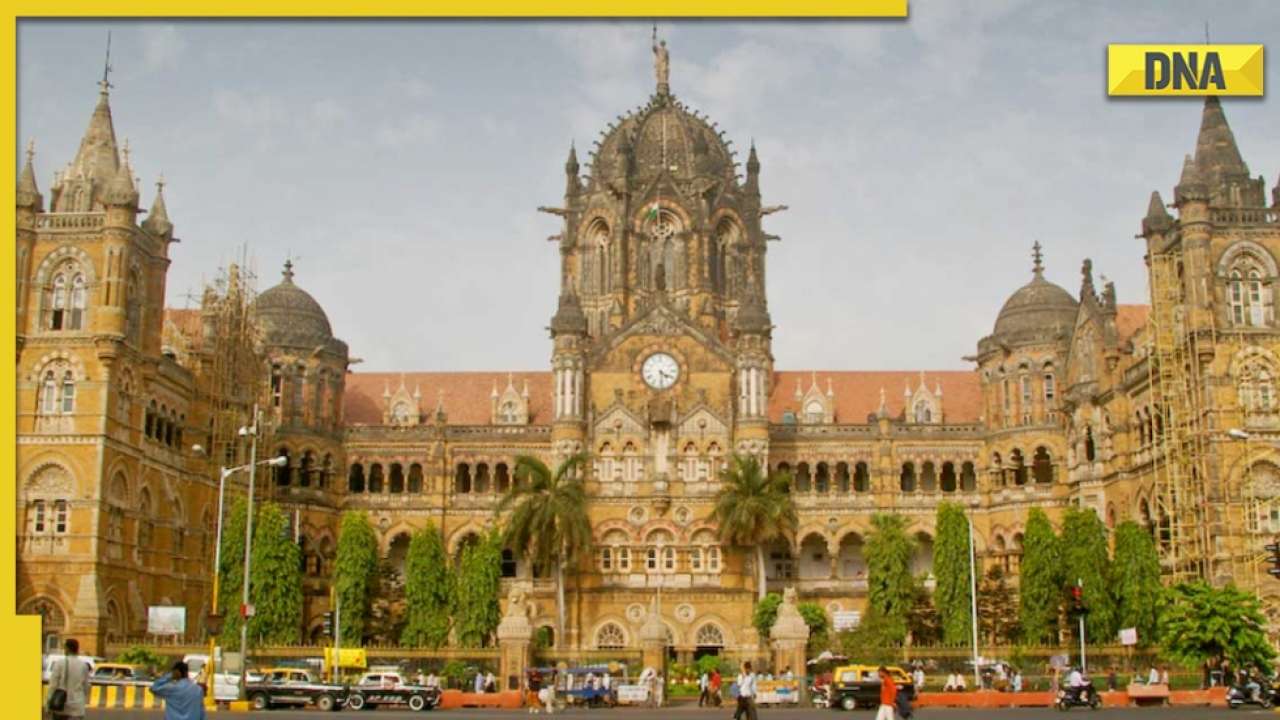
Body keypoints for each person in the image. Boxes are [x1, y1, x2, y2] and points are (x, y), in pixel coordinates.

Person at [47, 638, 91, 720]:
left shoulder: (60, 663)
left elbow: (53, 685)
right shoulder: (83, 665)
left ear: (67, 648)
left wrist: (49, 703)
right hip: (77, 705)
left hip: (61, 705)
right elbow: (86, 686)